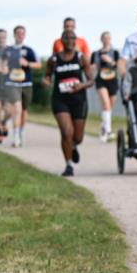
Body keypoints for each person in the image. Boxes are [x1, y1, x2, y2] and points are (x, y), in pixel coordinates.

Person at [43, 30, 94, 176]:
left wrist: (81, 85)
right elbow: (47, 76)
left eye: (73, 38)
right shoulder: (53, 59)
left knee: (78, 137)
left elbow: (91, 80)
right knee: (66, 132)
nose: (70, 40)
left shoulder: (81, 58)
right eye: (66, 38)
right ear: (62, 41)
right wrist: (45, 81)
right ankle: (69, 165)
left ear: (76, 40)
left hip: (79, 100)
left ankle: (73, 146)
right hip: (60, 100)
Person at [4, 25, 41, 148]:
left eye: (22, 33)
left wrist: (27, 63)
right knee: (17, 108)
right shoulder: (8, 50)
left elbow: (38, 65)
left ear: (24, 35)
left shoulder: (29, 50)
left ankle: (20, 133)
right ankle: (15, 138)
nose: (20, 35)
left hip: (26, 83)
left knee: (24, 112)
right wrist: (2, 68)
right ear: (14, 35)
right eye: (18, 33)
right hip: (12, 83)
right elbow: (1, 63)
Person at [92, 31, 120, 142]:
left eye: (108, 38)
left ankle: (103, 126)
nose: (106, 40)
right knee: (105, 103)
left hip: (112, 79)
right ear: (101, 39)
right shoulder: (95, 54)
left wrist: (110, 61)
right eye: (104, 38)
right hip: (101, 79)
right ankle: (108, 131)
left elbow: (119, 66)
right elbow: (91, 66)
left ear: (110, 39)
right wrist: (92, 67)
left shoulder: (115, 52)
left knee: (109, 106)